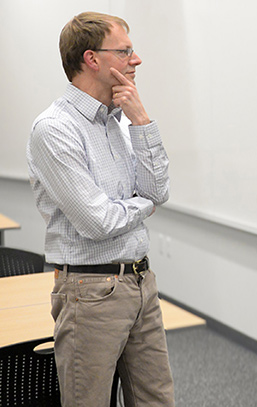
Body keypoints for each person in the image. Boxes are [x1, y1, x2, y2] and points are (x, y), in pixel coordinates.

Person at [26, 12, 174, 406]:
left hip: (141, 282)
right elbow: (97, 221)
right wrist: (144, 205)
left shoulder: (122, 121)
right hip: (90, 292)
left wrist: (142, 121)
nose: (136, 59)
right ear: (92, 59)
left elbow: (160, 190)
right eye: (125, 51)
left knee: (157, 400)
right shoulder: (55, 128)